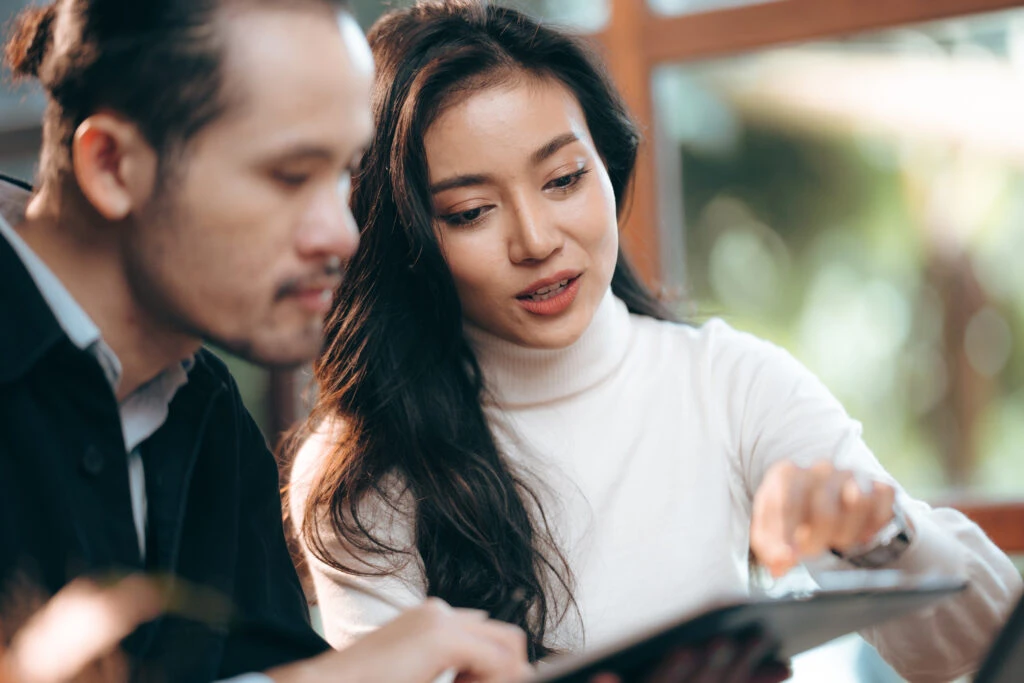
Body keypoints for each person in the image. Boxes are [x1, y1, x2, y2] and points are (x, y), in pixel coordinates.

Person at [287, 1, 1023, 681]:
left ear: (606, 166)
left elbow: (977, 641)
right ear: (406, 238)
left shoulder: (729, 382)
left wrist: (880, 528)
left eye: (564, 178)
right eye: (472, 211)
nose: (538, 240)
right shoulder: (359, 473)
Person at [0, 0, 530, 681]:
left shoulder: (205, 412)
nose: (342, 233)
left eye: (344, 173)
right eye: (289, 175)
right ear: (112, 165)